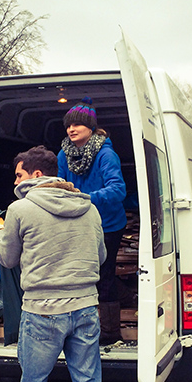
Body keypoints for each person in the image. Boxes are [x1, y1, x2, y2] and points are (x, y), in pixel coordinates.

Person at [0, 145, 106, 382]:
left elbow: (8, 259)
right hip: (85, 308)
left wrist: (1, 234)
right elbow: (99, 257)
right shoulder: (89, 208)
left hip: (42, 312)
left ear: (36, 175)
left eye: (19, 174)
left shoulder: (19, 209)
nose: (16, 180)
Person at [57, 97, 127, 345]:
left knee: (103, 274)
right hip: (78, 222)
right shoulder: (63, 155)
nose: (71, 129)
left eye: (77, 124)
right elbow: (59, 185)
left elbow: (118, 190)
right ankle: (77, 326)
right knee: (79, 274)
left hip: (107, 225)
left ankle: (110, 333)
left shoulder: (106, 155)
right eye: (68, 126)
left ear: (91, 127)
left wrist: (84, 198)